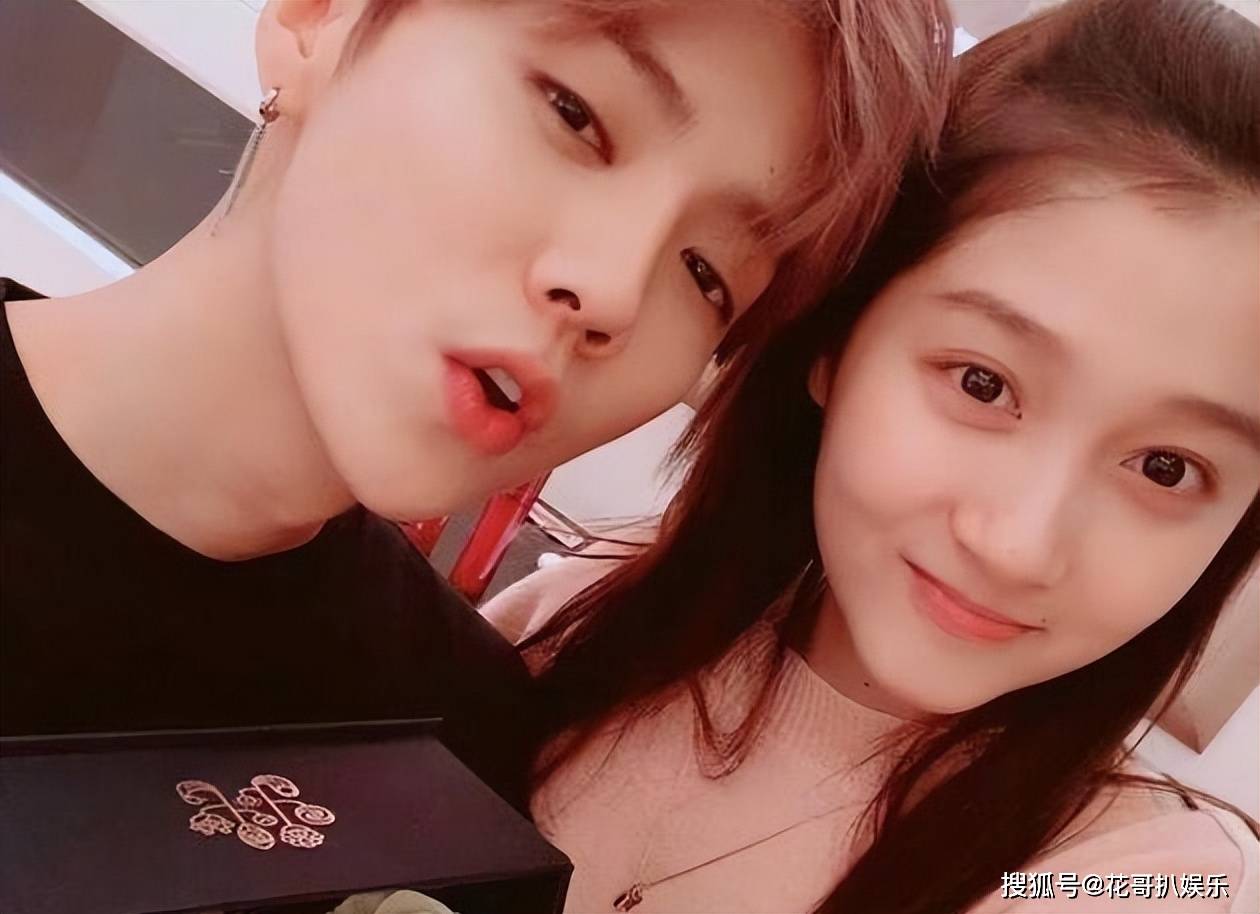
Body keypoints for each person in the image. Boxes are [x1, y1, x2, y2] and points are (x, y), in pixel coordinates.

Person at [0, 0, 952, 802]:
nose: (613, 292)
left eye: (707, 275)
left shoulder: (452, 761)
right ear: (317, 19)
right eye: (575, 115)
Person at [484, 0, 1260, 905]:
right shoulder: (585, 612)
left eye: (1167, 468)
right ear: (837, 341)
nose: (1020, 545)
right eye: (982, 383)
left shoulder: (1154, 882)